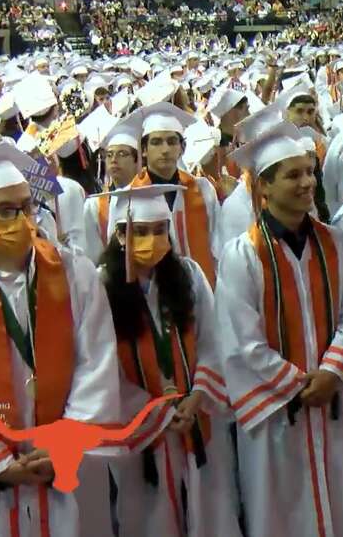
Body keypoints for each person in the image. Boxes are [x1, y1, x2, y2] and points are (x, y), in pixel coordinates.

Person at [0, 143, 121, 537]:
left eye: (26, 207)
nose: (21, 221)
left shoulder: (77, 275)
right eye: (6, 211)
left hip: (70, 465)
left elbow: (97, 363)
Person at [215, 123, 343, 537]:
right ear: (263, 186)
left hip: (330, 401)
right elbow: (241, 341)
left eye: (309, 172)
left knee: (340, 506)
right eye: (293, 174)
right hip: (276, 411)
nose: (307, 182)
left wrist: (331, 373)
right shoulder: (243, 255)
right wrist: (301, 385)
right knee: (283, 513)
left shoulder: (335, 244)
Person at [93, 185, 240, 537]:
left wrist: (198, 394)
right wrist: (154, 410)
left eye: (160, 230)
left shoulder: (187, 275)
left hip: (196, 415)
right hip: (141, 428)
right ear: (120, 234)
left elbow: (213, 339)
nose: (152, 240)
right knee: (149, 512)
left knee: (210, 508)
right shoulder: (100, 287)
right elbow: (100, 366)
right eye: (141, 231)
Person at [123, 103, 220, 287]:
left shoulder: (203, 189)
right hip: (152, 295)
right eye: (156, 142)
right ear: (143, 150)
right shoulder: (128, 197)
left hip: (202, 291)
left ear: (182, 148)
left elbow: (217, 243)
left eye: (172, 141)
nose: (165, 149)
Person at [81, 118, 141, 263]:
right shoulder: (94, 206)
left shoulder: (151, 196)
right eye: (109, 155)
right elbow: (92, 255)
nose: (113, 160)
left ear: (136, 161)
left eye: (122, 154)